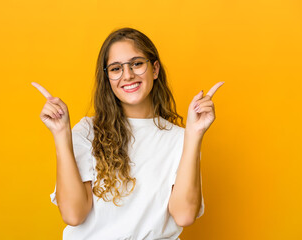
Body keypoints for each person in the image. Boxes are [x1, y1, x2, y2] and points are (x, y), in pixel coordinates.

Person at [32, 27, 224, 240]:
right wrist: (60, 135)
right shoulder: (87, 132)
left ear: (155, 69)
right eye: (116, 68)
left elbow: (184, 215)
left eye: (137, 64)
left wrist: (195, 135)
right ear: (108, 78)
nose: (128, 75)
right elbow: (73, 214)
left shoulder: (181, 138)